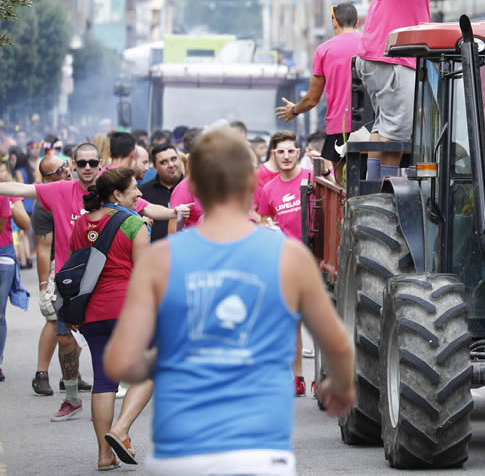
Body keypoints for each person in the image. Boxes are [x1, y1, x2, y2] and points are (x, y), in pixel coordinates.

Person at [103, 127, 356, 474]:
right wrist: (338, 389)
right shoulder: (290, 257)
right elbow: (339, 347)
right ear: (253, 186)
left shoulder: (159, 261)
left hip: (180, 454)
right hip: (260, 453)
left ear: (192, 189)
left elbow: (119, 363)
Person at [0, 142, 107, 419]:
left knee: (106, 338)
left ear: (100, 163)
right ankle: (72, 398)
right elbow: (19, 190)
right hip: (70, 281)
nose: (86, 168)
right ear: (73, 165)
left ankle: (109, 391)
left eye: (92, 163)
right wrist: (45, 284)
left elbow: (140, 204)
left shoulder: (112, 187)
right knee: (63, 335)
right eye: (80, 163)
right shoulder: (59, 191)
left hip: (106, 279)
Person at [70, 167, 153, 470]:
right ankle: (120, 429)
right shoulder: (134, 224)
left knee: (104, 381)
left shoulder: (81, 223)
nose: (140, 194)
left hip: (91, 312)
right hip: (127, 309)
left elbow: (74, 268)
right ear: (117, 194)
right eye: (135, 189)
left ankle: (105, 455)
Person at [356, 0, 437, 181]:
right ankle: (387, 194)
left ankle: (372, 186)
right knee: (396, 132)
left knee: (382, 130)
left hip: (380, 58)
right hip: (392, 59)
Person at [256, 132, 313, 396]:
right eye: (280, 152)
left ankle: (323, 375)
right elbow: (264, 220)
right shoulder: (269, 189)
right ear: (273, 155)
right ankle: (297, 377)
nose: (286, 157)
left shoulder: (312, 180)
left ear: (298, 152)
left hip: (315, 259)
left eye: (290, 151)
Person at [276, 2, 361, 169]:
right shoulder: (371, 45)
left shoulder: (324, 50)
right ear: (357, 23)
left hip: (340, 126)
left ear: (334, 22)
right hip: (371, 127)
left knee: (341, 179)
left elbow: (312, 99)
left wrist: (294, 110)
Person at [30, 154, 82, 398]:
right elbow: (42, 247)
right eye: (59, 171)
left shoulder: (81, 189)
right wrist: (43, 285)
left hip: (83, 263)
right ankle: (41, 374)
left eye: (66, 165)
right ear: (47, 180)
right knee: (54, 319)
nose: (67, 171)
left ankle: (72, 374)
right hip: (56, 264)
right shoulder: (45, 201)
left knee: (81, 323)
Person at [0, 166, 31, 383]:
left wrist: (12, 201)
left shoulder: (6, 195)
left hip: (4, 256)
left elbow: (23, 224)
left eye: (4, 171)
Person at [139, 144, 185, 242]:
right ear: (155, 167)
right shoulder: (143, 191)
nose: (171, 165)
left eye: (173, 159)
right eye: (164, 162)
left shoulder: (194, 188)